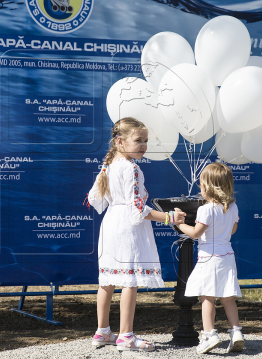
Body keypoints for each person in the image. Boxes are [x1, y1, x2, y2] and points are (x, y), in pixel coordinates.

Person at [87, 117, 186, 352]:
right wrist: (169, 217)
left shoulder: (109, 166)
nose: (143, 145)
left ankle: (102, 332)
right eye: (138, 140)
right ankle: (126, 336)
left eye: (146, 141)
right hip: (126, 228)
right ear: (120, 141)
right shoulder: (131, 168)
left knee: (109, 280)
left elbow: (96, 199)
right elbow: (138, 209)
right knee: (129, 281)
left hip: (111, 223)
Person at [175, 162, 244, 354]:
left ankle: (209, 334)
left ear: (206, 187)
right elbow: (232, 229)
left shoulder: (205, 209)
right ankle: (236, 332)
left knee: (207, 297)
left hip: (208, 257)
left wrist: (179, 224)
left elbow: (196, 233)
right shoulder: (233, 207)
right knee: (228, 296)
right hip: (227, 256)